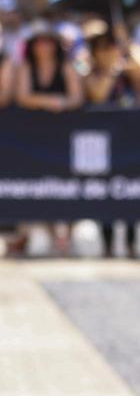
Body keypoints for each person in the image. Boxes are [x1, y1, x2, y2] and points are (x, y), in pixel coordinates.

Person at [14, 22, 83, 256]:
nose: (44, 47)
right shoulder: (26, 67)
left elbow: (75, 98)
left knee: (67, 186)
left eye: (49, 42)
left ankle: (65, 235)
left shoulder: (65, 67)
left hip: (62, 136)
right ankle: (47, 234)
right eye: (40, 42)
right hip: (34, 137)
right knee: (36, 186)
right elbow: (22, 96)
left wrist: (61, 103)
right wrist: (49, 102)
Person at [83, 26, 140, 258]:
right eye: (103, 48)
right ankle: (107, 243)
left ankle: (131, 241)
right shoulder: (90, 72)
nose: (108, 52)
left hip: (130, 139)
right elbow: (98, 95)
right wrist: (111, 70)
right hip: (103, 142)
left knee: (131, 192)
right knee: (104, 192)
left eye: (111, 47)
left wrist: (126, 43)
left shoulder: (127, 71)